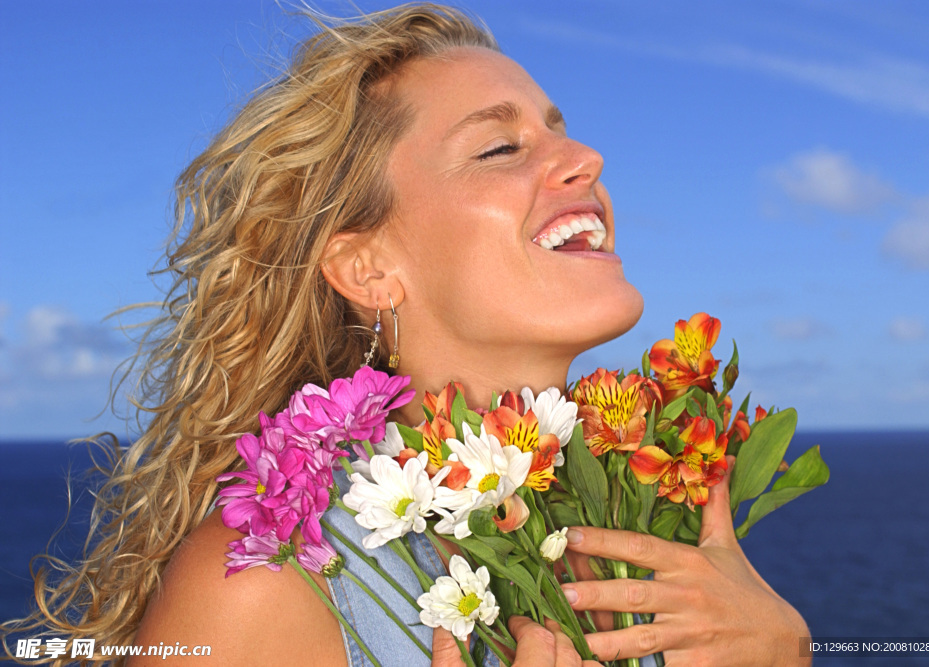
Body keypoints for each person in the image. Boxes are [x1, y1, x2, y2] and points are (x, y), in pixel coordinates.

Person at [3, 4, 809, 665]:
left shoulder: (652, 521)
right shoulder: (261, 589)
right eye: (501, 146)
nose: (587, 158)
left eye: (561, 130)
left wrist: (783, 656)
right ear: (367, 269)